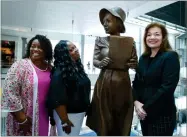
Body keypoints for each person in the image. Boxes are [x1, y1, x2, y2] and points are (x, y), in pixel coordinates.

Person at [86, 7, 138, 136]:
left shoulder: (130, 43)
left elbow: (135, 63)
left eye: (108, 21)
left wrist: (133, 64)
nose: (105, 24)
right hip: (105, 83)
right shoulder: (100, 40)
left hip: (123, 84)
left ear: (118, 22)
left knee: (121, 117)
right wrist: (100, 63)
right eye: (104, 22)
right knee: (105, 117)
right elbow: (95, 60)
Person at [132, 22, 180, 136]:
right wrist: (136, 102)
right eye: (149, 34)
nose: (152, 37)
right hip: (143, 113)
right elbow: (137, 83)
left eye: (157, 34)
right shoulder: (143, 58)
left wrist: (144, 107)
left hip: (162, 114)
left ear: (163, 37)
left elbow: (167, 87)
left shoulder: (170, 56)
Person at [1, 35, 53, 136]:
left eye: (40, 47)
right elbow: (9, 91)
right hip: (25, 118)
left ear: (46, 51)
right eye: (33, 46)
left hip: (45, 116)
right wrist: (21, 119)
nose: (35, 49)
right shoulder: (20, 66)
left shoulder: (51, 68)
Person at [46, 40, 91, 136]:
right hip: (67, 115)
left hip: (78, 113)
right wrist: (65, 120)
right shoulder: (60, 72)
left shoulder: (77, 68)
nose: (76, 50)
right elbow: (57, 99)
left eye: (75, 47)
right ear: (64, 54)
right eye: (71, 50)